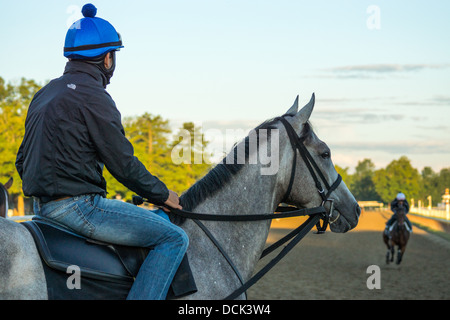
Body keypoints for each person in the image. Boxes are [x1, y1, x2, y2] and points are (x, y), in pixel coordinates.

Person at [15, 4, 188, 300]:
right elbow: (122, 163)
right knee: (173, 237)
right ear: (108, 59)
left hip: (40, 210)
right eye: (114, 56)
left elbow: (22, 161)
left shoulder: (43, 94)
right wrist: (162, 194)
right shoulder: (95, 97)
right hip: (81, 209)